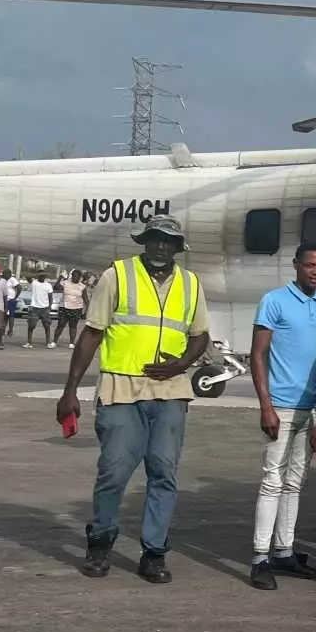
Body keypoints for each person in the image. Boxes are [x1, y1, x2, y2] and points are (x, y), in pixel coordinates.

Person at [58, 215, 211, 584]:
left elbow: (200, 336)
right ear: (144, 242)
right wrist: (70, 391)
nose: (161, 246)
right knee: (113, 473)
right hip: (121, 388)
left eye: (168, 241)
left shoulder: (191, 284)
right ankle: (100, 544)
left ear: (178, 248)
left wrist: (182, 364)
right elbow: (92, 334)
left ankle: (154, 553)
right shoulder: (117, 275)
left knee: (163, 473)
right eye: (155, 239)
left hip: (170, 391)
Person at [246, 244, 316, 590]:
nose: (315, 271)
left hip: (309, 407)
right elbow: (258, 353)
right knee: (272, 480)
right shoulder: (274, 301)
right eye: (309, 264)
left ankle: (284, 550)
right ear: (296, 265)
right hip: (280, 405)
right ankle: (260, 557)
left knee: (296, 482)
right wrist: (265, 405)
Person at [56, 270, 87, 347]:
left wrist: (86, 312)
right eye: (73, 276)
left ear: (80, 277)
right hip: (64, 307)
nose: (75, 278)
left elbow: (86, 300)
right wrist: (60, 278)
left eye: (77, 276)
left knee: (73, 326)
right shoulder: (65, 282)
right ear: (71, 276)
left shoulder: (82, 286)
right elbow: (56, 287)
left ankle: (71, 343)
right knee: (60, 325)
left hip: (76, 308)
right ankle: (54, 342)